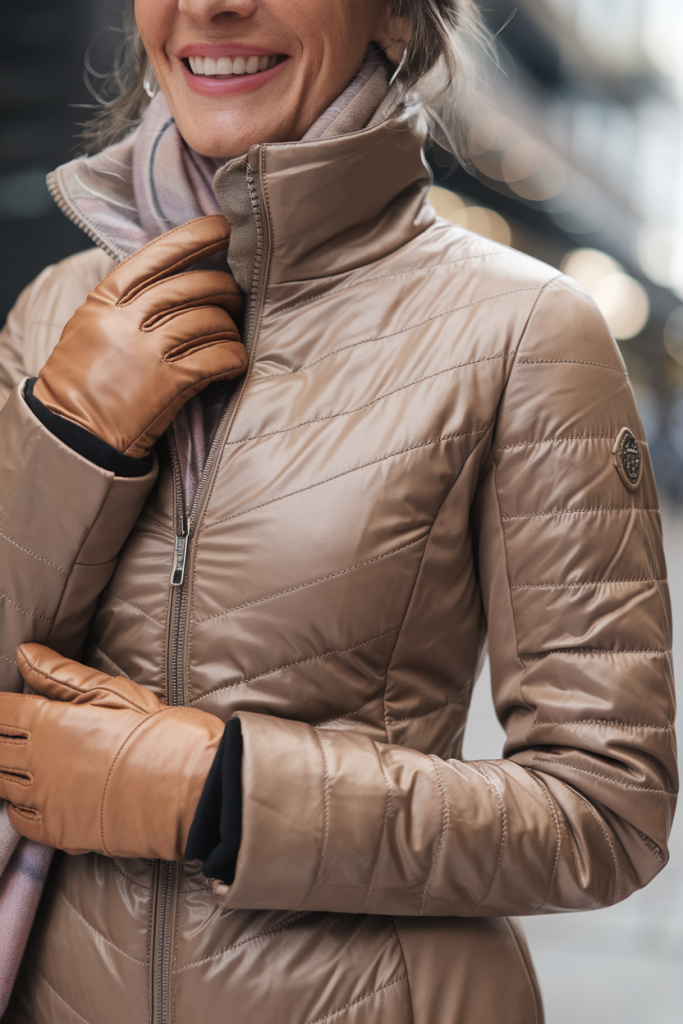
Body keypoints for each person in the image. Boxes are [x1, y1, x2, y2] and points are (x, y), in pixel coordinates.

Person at [0, 1, 677, 1021]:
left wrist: (222, 794)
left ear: (396, 17)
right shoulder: (55, 311)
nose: (210, 6)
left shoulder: (525, 331)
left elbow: (605, 810)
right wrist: (74, 437)